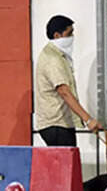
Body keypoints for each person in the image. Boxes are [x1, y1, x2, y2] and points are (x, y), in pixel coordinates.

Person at [34, 15, 100, 146]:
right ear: (57, 35)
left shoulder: (58, 55)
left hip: (59, 124)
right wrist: (88, 120)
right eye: (69, 33)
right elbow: (64, 91)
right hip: (56, 124)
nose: (72, 37)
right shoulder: (53, 59)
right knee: (67, 159)